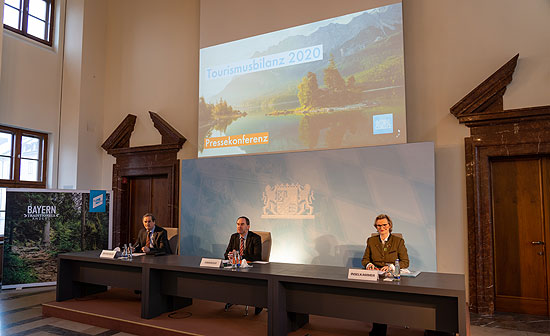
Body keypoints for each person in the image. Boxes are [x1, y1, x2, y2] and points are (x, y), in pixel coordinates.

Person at [361, 214, 409, 336]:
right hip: (376, 277)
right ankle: (378, 330)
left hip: (392, 278)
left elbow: (405, 262)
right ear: (376, 227)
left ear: (389, 226)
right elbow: (365, 259)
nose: (381, 228)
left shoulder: (398, 241)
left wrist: (392, 266)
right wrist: (368, 265)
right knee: (376, 301)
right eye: (378, 226)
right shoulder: (371, 241)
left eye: (384, 225)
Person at [223, 216, 262, 315]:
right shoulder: (234, 237)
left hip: (252, 268)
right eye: (238, 224)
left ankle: (259, 304)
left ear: (248, 226)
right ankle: (231, 298)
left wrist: (240, 256)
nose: (239, 227)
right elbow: (226, 254)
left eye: (242, 224)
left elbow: (257, 256)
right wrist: (230, 255)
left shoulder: (255, 238)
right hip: (236, 267)